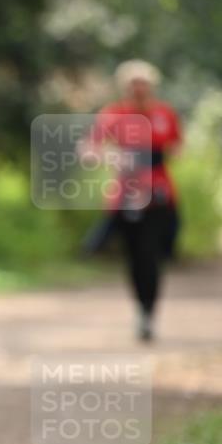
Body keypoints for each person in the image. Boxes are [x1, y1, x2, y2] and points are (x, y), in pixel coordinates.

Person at [83, 60, 181, 341]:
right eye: (133, 84)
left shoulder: (165, 113)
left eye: (143, 84)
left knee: (152, 254)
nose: (138, 89)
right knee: (135, 255)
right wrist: (114, 156)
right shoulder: (113, 115)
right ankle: (142, 308)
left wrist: (158, 155)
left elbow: (176, 146)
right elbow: (90, 149)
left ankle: (149, 310)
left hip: (160, 194)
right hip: (126, 194)